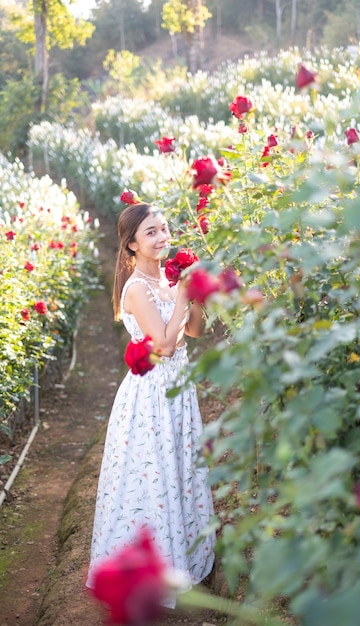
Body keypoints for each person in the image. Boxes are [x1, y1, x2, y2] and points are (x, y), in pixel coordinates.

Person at [86, 201, 215, 608]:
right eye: (151, 233)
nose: (162, 238)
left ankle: (186, 560)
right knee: (151, 478)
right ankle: (147, 571)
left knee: (179, 470)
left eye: (164, 229)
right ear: (131, 246)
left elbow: (194, 332)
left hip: (180, 387)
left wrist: (193, 295)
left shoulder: (168, 279)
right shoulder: (136, 289)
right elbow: (160, 344)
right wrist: (179, 298)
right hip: (151, 395)